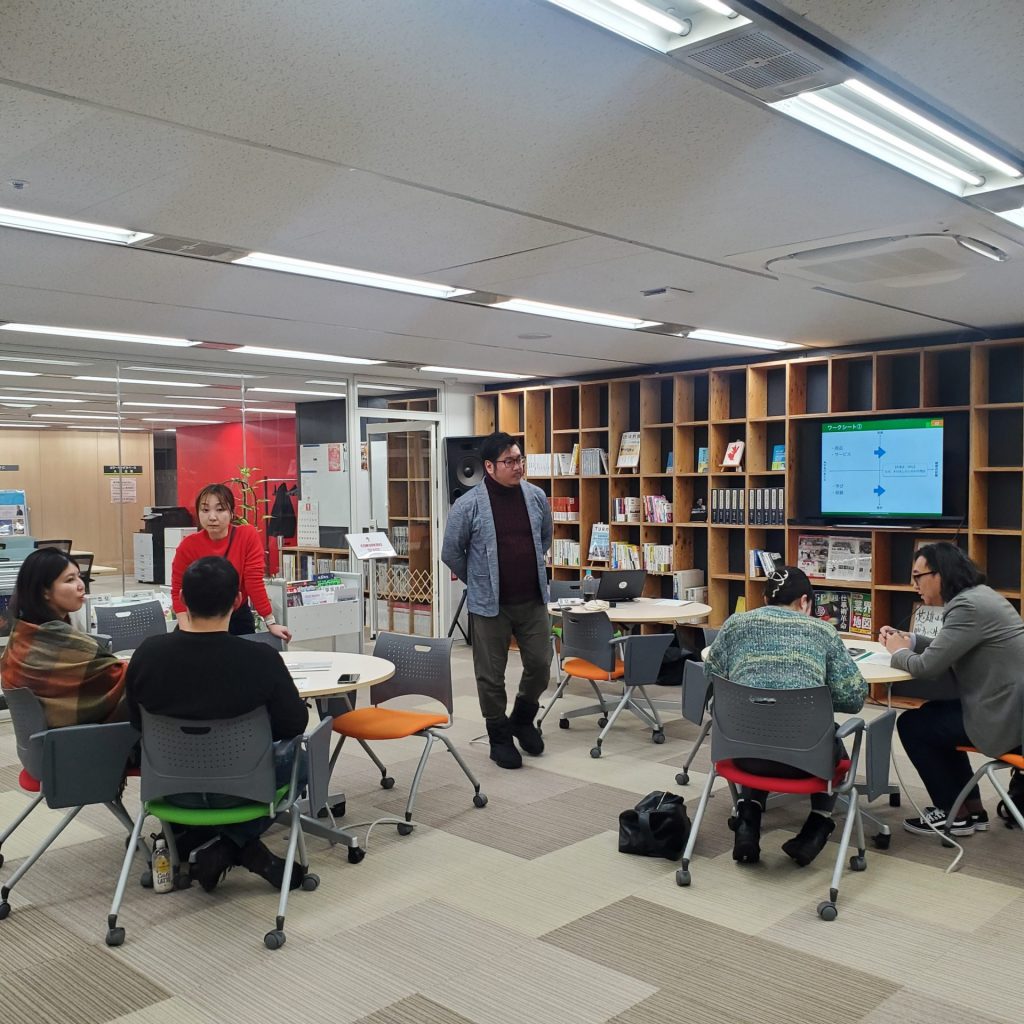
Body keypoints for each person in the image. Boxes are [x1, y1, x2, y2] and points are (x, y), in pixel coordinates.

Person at [126, 556, 309, 892]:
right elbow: (294, 724)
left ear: (182, 597)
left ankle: (197, 839)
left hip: (171, 790)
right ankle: (234, 845)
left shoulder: (148, 654)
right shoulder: (261, 659)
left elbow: (135, 721)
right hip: (244, 789)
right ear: (238, 600)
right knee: (303, 757)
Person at [704, 566, 867, 866]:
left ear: (766, 598)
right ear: (805, 602)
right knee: (829, 734)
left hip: (741, 753)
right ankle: (817, 825)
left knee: (760, 724)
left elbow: (712, 676)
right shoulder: (823, 632)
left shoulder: (735, 624)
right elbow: (854, 698)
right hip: (805, 762)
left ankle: (748, 818)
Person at [879, 542, 1024, 837]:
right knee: (932, 716)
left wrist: (897, 651)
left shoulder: (966, 607)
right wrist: (911, 641)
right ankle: (970, 810)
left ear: (940, 574)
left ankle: (952, 813)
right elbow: (950, 648)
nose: (914, 585)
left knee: (913, 725)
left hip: (1003, 718)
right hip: (1011, 709)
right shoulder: (981, 596)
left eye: (918, 576)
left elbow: (927, 668)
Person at [441, 431, 552, 769]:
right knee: (491, 675)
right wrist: (479, 580)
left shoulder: (536, 497)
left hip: (532, 599)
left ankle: (522, 718)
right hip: (490, 605)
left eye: (520, 459)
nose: (518, 467)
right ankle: (499, 735)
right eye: (509, 461)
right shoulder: (468, 505)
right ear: (489, 467)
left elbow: (545, 538)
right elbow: (451, 552)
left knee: (541, 665)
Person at [0, 548, 127, 728]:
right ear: (44, 591)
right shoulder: (56, 638)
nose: (81, 585)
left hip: (48, 736)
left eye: (79, 576)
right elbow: (117, 677)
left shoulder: (24, 631)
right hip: (77, 736)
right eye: (69, 580)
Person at [170, 483, 291, 642]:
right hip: (198, 619)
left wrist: (270, 622)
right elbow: (178, 590)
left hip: (236, 617)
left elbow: (253, 581)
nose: (212, 517)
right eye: (205, 510)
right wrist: (187, 631)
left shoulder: (246, 536)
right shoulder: (188, 545)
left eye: (220, 509)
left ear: (232, 512)